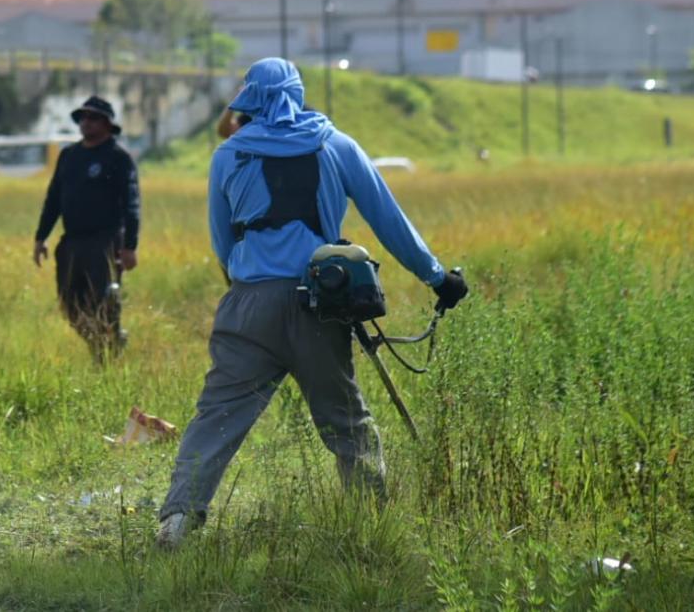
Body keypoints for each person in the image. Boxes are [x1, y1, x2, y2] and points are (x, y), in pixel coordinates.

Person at [155, 58, 468, 548]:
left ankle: (178, 520)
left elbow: (222, 242)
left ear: (250, 100)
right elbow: (388, 218)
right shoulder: (335, 144)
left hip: (248, 306)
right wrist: (436, 277)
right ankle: (371, 526)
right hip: (319, 303)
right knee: (346, 420)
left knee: (216, 416)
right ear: (297, 94)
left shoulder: (228, 155)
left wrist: (248, 284)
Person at [33, 95, 141, 364]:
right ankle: (104, 344)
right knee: (69, 305)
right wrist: (41, 236)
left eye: (93, 118)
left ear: (106, 123)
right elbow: (54, 198)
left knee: (104, 302)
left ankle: (107, 357)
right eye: (82, 117)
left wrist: (130, 245)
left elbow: (132, 202)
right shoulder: (69, 155)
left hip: (105, 242)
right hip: (72, 243)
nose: (86, 123)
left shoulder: (118, 157)